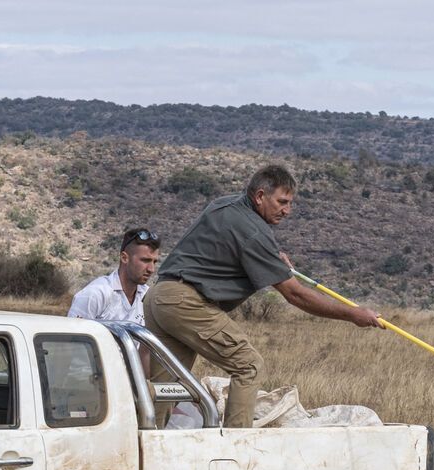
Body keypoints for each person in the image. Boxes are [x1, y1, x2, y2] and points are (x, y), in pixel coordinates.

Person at [145, 164, 378, 428]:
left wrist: (276, 265)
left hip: (159, 297)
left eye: (290, 203)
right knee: (249, 366)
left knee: (168, 385)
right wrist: (354, 314)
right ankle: (236, 447)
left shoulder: (224, 205)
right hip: (185, 302)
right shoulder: (254, 231)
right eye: (281, 202)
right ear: (259, 196)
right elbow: (295, 295)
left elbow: (229, 253)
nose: (286, 211)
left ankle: (145, 445)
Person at [68, 227, 161, 324]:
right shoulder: (95, 294)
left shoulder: (147, 296)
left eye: (154, 262)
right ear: (124, 258)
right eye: (145, 260)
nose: (151, 269)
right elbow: (72, 336)